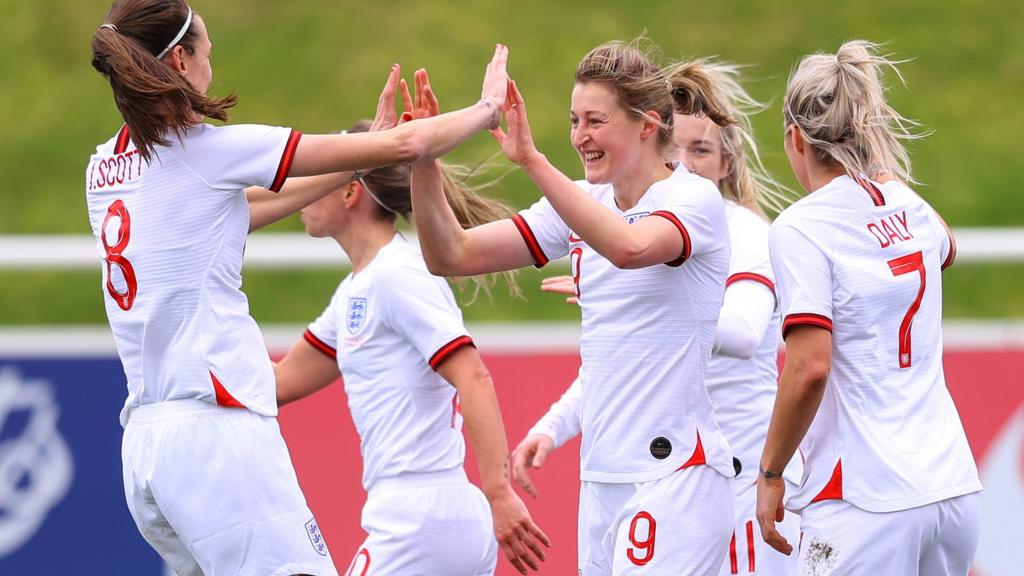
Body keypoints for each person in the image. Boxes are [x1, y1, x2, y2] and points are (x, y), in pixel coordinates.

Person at [87, 1, 510, 574]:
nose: (213, 60)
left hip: (145, 446)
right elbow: (407, 148)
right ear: (182, 60)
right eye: (207, 50)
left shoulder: (105, 169)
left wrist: (355, 163)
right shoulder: (211, 152)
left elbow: (235, 210)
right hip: (217, 433)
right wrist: (486, 109)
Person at [410, 39, 737, 575]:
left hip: (675, 473)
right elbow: (451, 254)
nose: (580, 137)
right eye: (573, 120)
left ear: (646, 125)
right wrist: (425, 162)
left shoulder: (692, 200)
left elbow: (629, 248)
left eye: (594, 121)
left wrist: (533, 161)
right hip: (602, 477)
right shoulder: (586, 204)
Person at [518, 60, 801, 575]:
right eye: (679, 150)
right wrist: (552, 427)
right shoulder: (639, 218)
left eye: (702, 150)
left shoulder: (746, 231)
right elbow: (617, 369)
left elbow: (742, 333)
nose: (687, 163)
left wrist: (655, 311)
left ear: (726, 162)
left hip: (738, 473)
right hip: (662, 465)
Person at [271, 109, 549, 576]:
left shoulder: (398, 274)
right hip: (420, 515)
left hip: (420, 516)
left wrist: (499, 494)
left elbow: (473, 376)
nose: (301, 190)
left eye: (317, 176)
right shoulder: (358, 289)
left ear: (348, 190)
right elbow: (279, 382)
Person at [755, 40, 982, 575]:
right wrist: (877, 172)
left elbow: (809, 368)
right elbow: (945, 246)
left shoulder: (802, 227)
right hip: (951, 487)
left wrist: (770, 476)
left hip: (866, 498)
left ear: (795, 138)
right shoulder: (912, 205)